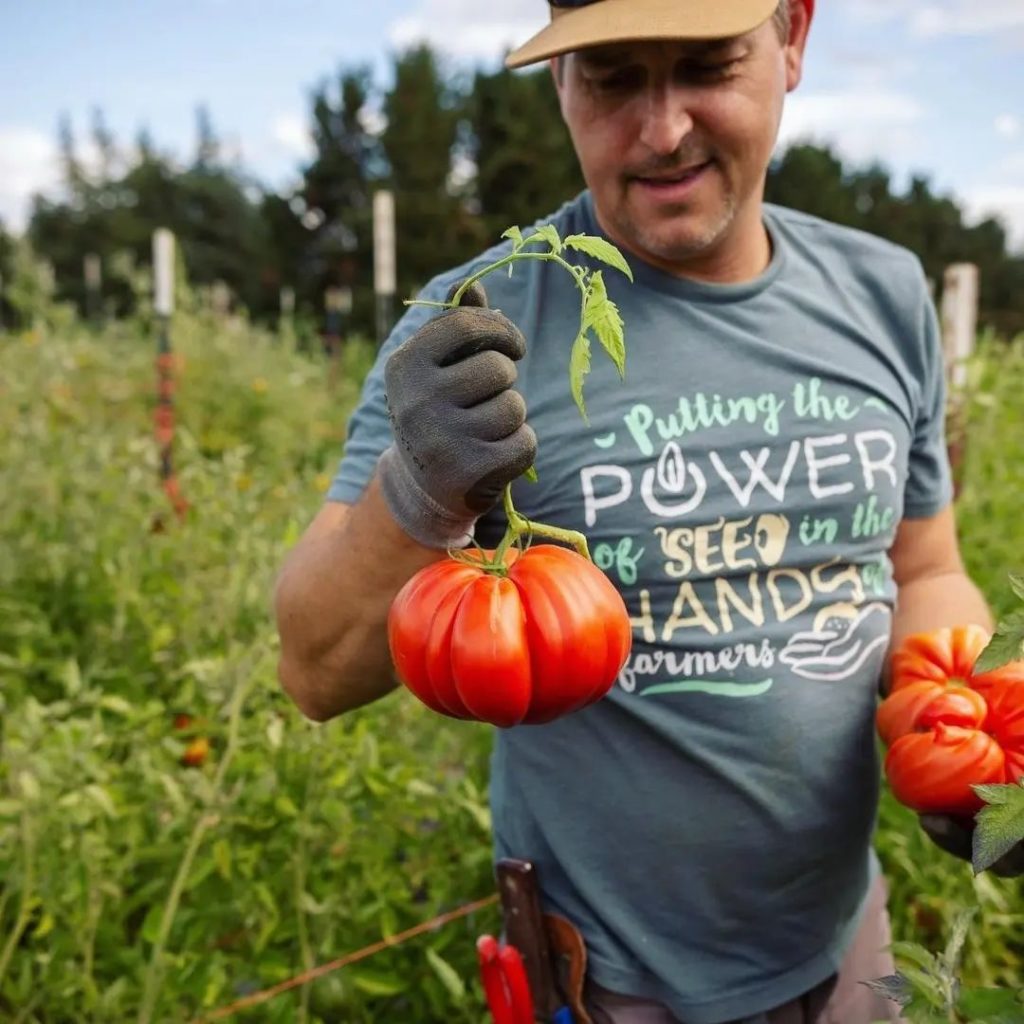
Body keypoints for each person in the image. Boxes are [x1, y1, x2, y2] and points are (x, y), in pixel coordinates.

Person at [273, 1, 1020, 1021]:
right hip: (610, 983)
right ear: (561, 83)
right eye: (614, 79)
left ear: (793, 38)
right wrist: (417, 485)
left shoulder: (882, 294)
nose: (663, 128)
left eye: (709, 66)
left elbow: (925, 567)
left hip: (847, 942)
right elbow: (315, 670)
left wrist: (974, 743)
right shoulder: (476, 320)